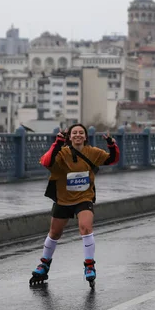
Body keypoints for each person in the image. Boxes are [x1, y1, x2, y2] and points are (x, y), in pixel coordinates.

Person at [29, 123, 120, 287]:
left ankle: (89, 264)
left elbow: (112, 159)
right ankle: (44, 264)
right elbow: (46, 161)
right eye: (74, 133)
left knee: (85, 227)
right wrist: (57, 143)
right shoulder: (62, 153)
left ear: (85, 136)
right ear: (69, 137)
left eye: (81, 133)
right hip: (63, 199)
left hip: (84, 197)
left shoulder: (92, 152)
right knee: (54, 233)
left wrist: (111, 144)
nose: (78, 135)